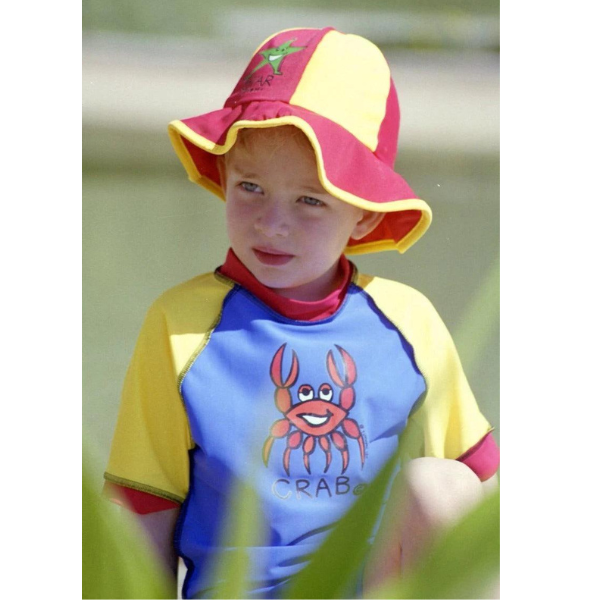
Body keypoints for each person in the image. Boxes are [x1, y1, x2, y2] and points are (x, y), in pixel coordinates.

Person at [103, 26, 500, 599]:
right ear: (223, 176)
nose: (272, 223)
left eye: (310, 200)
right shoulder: (181, 326)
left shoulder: (409, 322)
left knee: (443, 483)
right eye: (251, 187)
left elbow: (478, 492)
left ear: (363, 215)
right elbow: (143, 509)